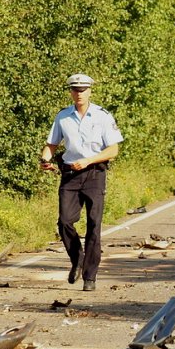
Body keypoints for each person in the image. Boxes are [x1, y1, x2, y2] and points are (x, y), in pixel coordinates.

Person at [40, 73, 123, 292]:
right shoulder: (63, 116)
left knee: (94, 226)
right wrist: (45, 159)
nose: (79, 93)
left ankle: (90, 276)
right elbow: (51, 144)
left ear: (90, 91)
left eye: (83, 89)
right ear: (70, 92)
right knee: (65, 221)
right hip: (70, 174)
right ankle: (77, 258)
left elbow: (113, 149)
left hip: (95, 173)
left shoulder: (103, 116)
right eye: (75, 89)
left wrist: (88, 160)